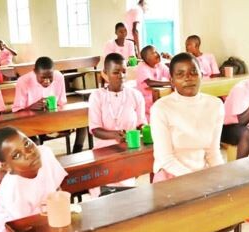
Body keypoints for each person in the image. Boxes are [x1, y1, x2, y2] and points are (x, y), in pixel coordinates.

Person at [150, 52, 227, 232]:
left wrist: (222, 176)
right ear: (171, 80)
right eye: (181, 74)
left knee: (224, 191)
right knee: (198, 194)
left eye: (194, 72)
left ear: (202, 74)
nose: (188, 78)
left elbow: (212, 151)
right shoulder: (161, 109)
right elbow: (165, 159)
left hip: (200, 169)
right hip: (170, 175)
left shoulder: (214, 105)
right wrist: (200, 179)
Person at [88, 52, 146, 194]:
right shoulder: (97, 96)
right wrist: (114, 135)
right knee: (103, 192)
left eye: (124, 72)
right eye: (116, 72)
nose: (121, 76)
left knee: (126, 193)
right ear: (105, 74)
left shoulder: (135, 95)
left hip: (128, 151)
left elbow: (141, 123)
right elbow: (95, 129)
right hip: (103, 153)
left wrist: (144, 129)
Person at [12, 56, 85, 153]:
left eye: (50, 77)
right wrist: (31, 107)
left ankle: (77, 153)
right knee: (33, 140)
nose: (47, 81)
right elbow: (17, 111)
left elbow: (62, 103)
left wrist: (59, 115)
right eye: (43, 78)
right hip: (32, 122)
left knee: (82, 120)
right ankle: (40, 158)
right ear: (35, 72)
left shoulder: (59, 77)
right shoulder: (23, 81)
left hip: (54, 119)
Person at [135, 45, 170, 120]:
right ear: (147, 58)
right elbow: (149, 82)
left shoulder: (159, 65)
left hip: (157, 96)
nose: (158, 53)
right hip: (145, 99)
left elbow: (170, 74)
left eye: (157, 51)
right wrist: (169, 83)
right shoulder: (142, 66)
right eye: (154, 52)